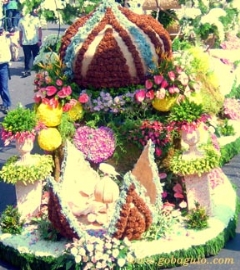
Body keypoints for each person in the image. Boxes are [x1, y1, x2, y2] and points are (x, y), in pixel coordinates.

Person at [18, 6, 42, 78]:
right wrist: (20, 40)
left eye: (22, 11)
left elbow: (39, 30)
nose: (21, 13)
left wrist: (39, 40)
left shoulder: (35, 19)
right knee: (27, 57)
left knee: (36, 56)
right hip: (25, 42)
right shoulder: (21, 21)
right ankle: (27, 70)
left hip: (34, 41)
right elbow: (20, 31)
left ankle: (38, 70)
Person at [0, 26, 12, 114]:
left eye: (1, 31)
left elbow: (11, 34)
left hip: (3, 65)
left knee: (4, 86)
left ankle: (6, 104)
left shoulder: (5, 39)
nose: (0, 33)